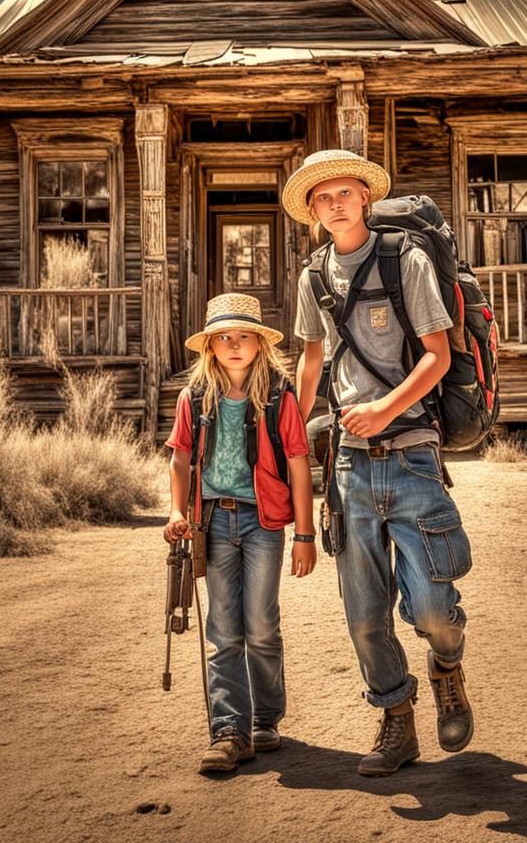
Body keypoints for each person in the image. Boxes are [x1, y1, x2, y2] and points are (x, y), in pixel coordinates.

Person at [284, 149, 474, 777]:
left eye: (345, 193)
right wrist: (290, 425)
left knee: (429, 608)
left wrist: (387, 410)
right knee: (365, 616)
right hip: (349, 467)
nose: (335, 204)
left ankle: (447, 668)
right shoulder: (312, 278)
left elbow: (438, 357)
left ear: (365, 198)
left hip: (412, 454)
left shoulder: (405, 260)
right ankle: (397, 722)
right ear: (313, 212)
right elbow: (312, 360)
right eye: (323, 198)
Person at [164, 292, 317, 774]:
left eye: (243, 337)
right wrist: (175, 511)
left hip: (263, 522)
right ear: (210, 346)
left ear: (259, 344)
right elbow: (180, 458)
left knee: (261, 624)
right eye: (224, 337)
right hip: (212, 521)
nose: (234, 345)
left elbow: (297, 461)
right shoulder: (195, 398)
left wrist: (305, 533)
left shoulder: (277, 396)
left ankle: (266, 718)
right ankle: (229, 729)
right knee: (223, 628)